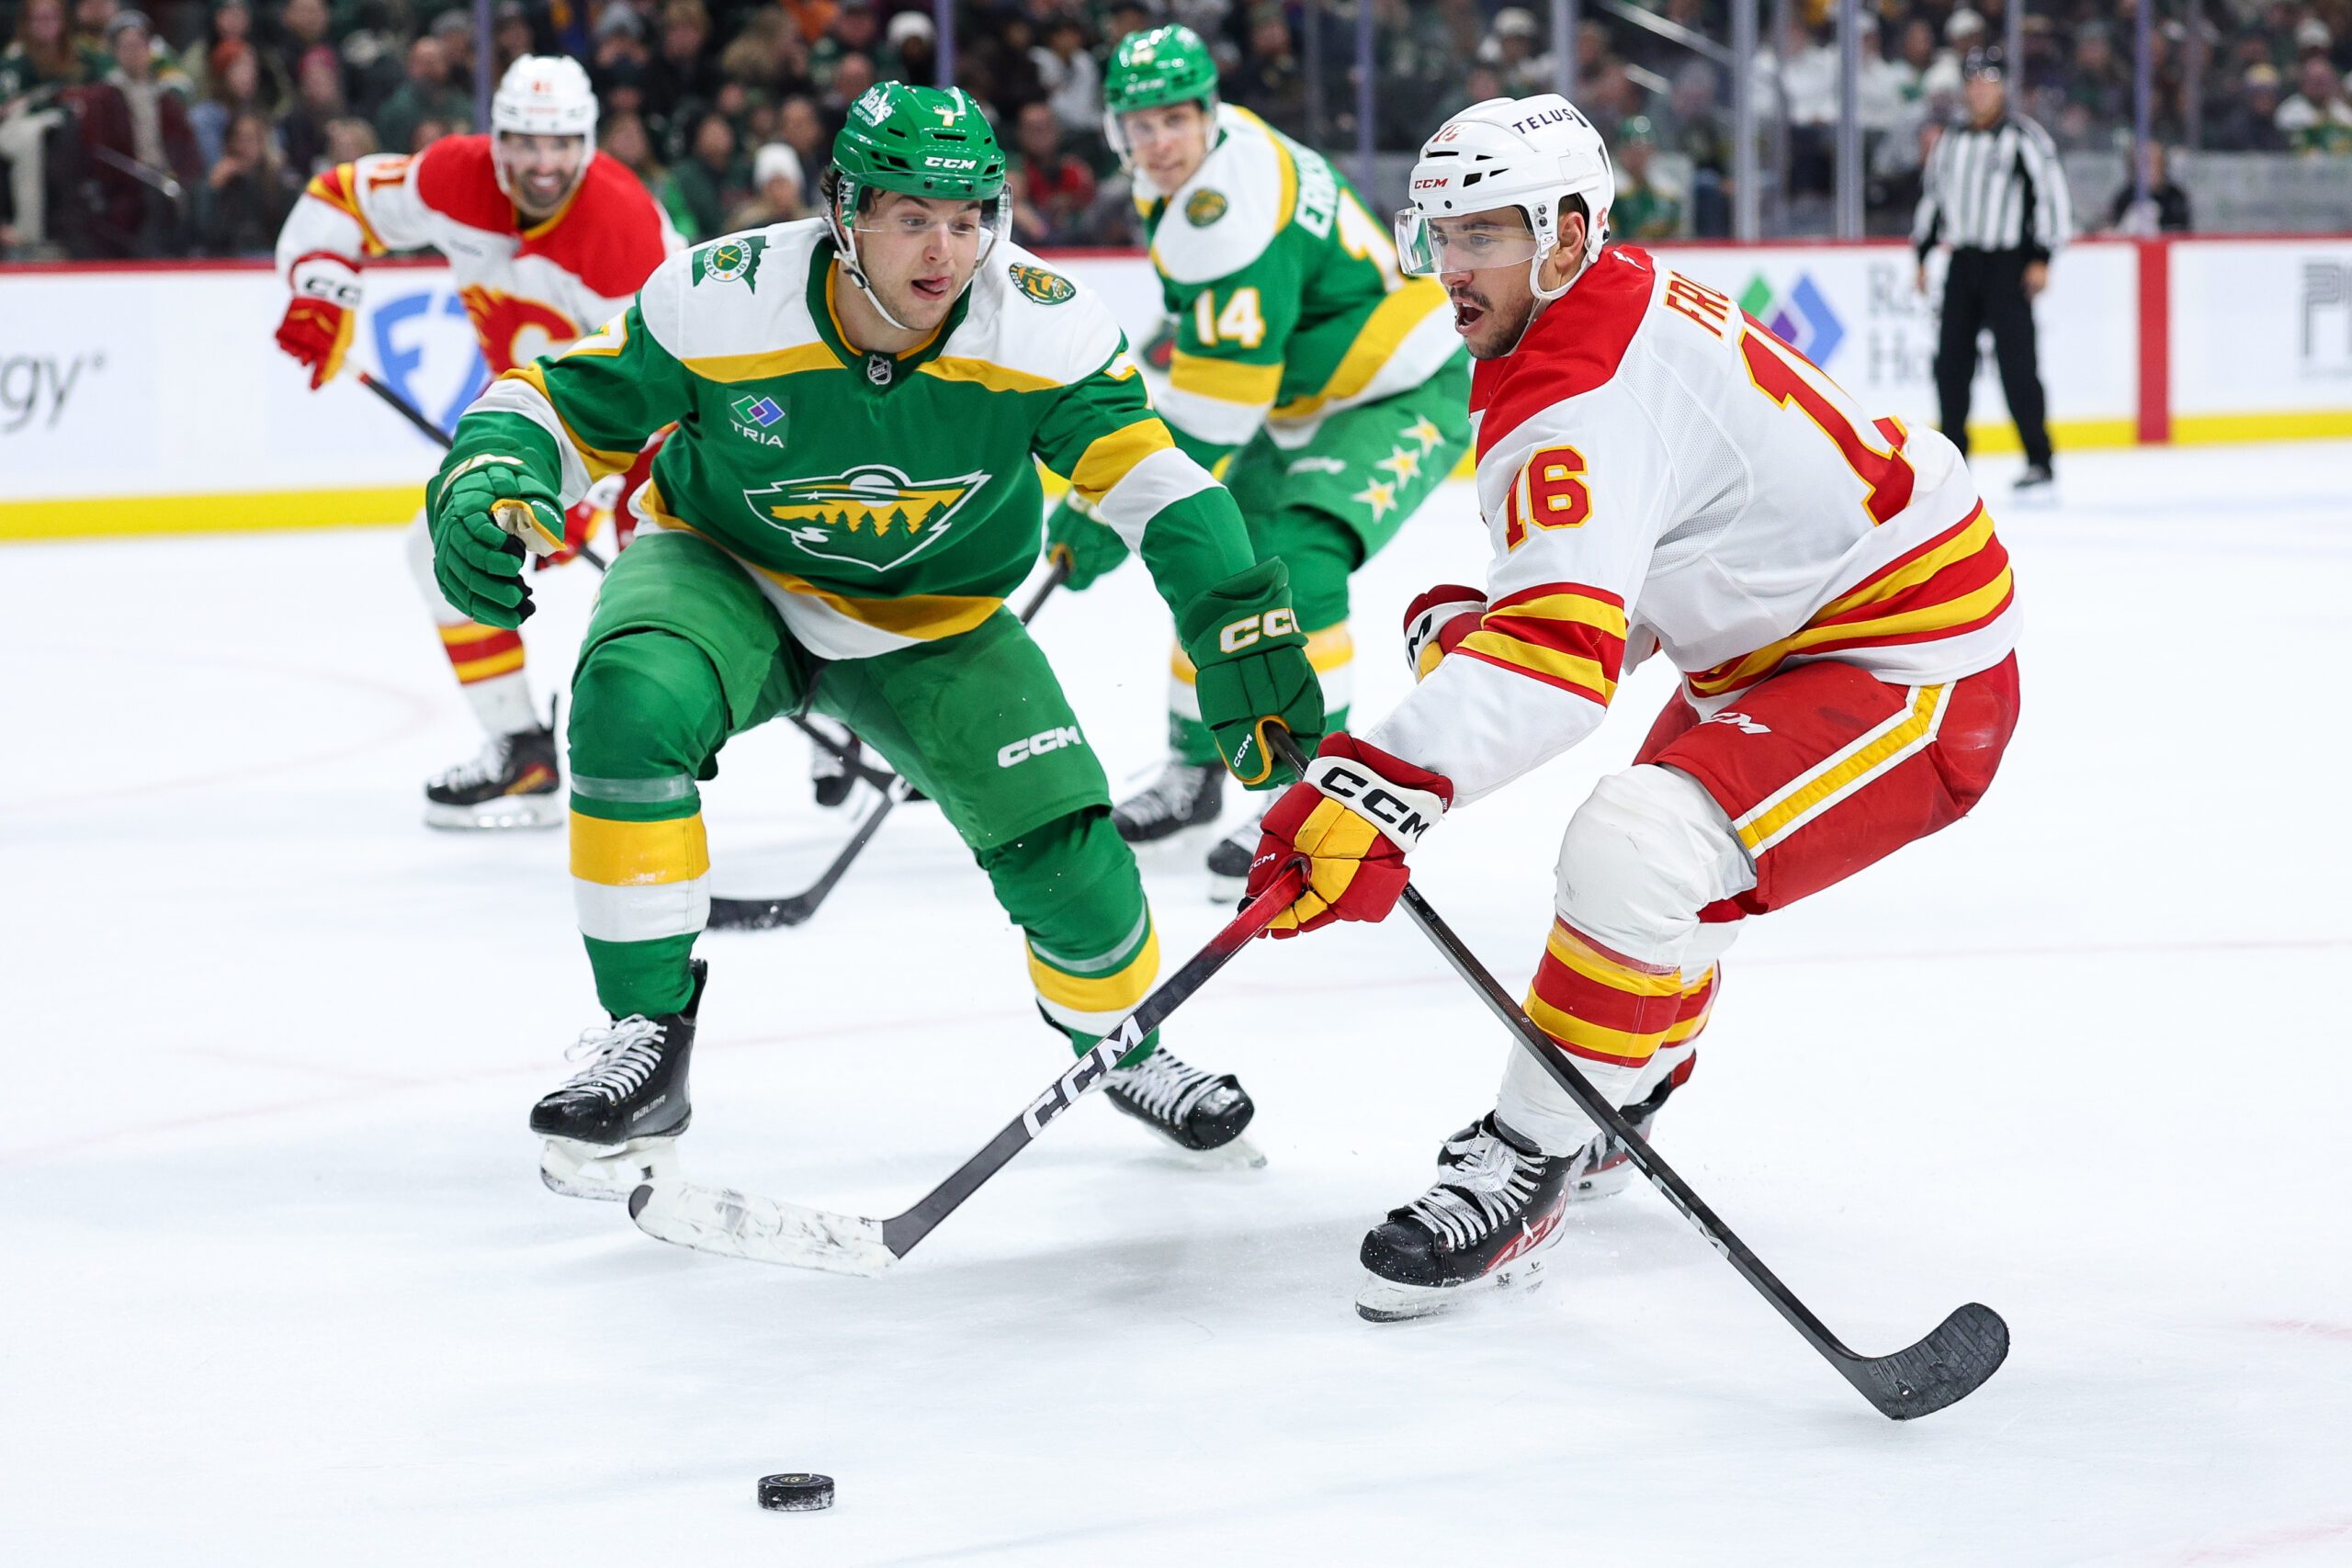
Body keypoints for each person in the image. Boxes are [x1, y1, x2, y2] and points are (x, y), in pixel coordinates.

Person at [422, 83, 1322, 1198]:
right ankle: (643, 1040)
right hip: (726, 569)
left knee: (1076, 870)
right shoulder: (723, 296)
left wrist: (1231, 611)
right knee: (627, 699)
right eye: (909, 217)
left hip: (931, 618)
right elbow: (561, 399)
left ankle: (1126, 1040)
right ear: (843, 212)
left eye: (967, 216)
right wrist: (491, 470)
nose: (945, 249)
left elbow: (1156, 480)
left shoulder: (1041, 323)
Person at [1243, 94, 2020, 1322]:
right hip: (1785, 634)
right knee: (1660, 875)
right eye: (1442, 235)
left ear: (1565, 232)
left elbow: (1560, 667)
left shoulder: (1575, 386)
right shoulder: (1597, 307)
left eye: (1484, 234)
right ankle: (1617, 1094)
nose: (1453, 269)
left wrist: (1373, 787)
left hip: (1905, 665)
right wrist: (1492, 627)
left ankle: (1534, 1153)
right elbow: (1663, 551)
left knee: (1642, 847)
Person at [1047, 23, 1471, 897]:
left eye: (1174, 120)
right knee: (1219, 553)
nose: (1157, 141)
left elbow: (1213, 414)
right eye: (1139, 124)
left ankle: (1321, 799)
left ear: (1205, 113)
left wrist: (1108, 511)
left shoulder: (1226, 210)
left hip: (1401, 386)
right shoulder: (1212, 156)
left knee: (1301, 558)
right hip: (1307, 392)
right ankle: (1198, 767)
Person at [272, 55, 683, 828]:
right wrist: (322, 288)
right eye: (525, 142)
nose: (541, 164)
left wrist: (593, 495)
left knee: (672, 602)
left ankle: (838, 730)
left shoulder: (622, 228)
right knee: (440, 543)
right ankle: (522, 751)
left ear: (587, 142)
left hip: (659, 432)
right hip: (546, 427)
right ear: (497, 138)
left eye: (559, 144)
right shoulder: (457, 178)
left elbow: (660, 384)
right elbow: (341, 200)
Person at [1910, 47, 2069, 501]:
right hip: (1964, 262)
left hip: (2008, 264)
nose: (1980, 90)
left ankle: (2040, 460)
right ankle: (1954, 459)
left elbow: (2051, 197)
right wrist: (1921, 254)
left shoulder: (2024, 138)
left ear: (2003, 87)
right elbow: (1933, 198)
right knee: (1950, 365)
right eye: (1973, 81)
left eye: (1989, 81)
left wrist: (2041, 256)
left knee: (2018, 365)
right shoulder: (1952, 141)